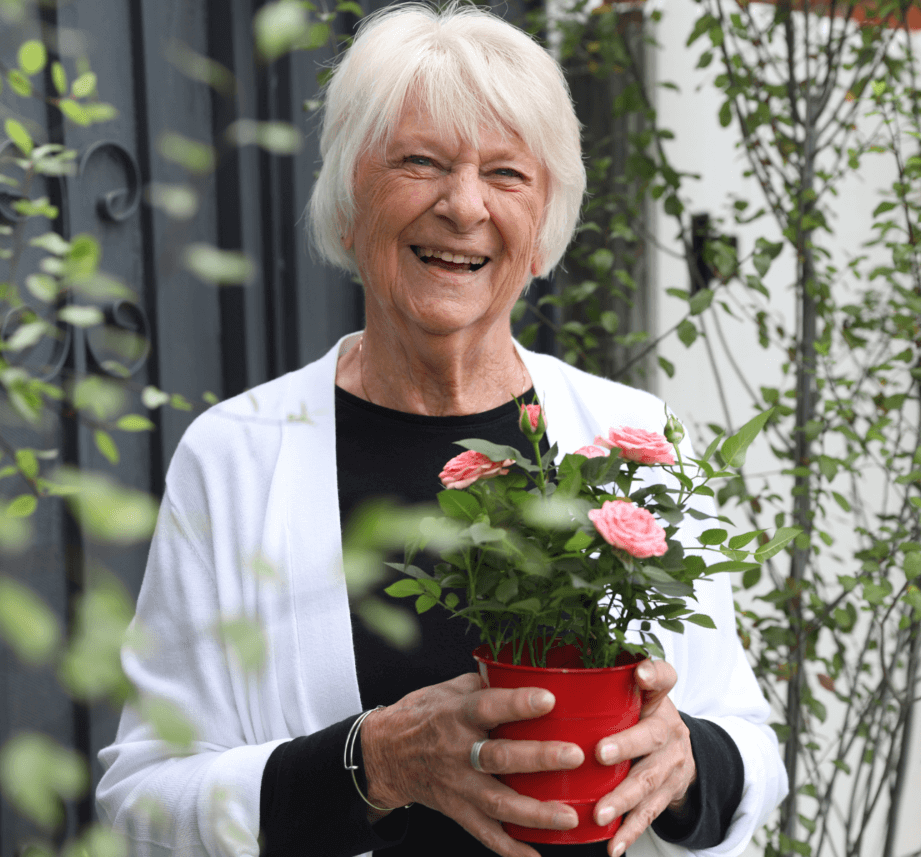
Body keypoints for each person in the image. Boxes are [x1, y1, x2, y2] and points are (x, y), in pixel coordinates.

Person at [96, 5, 787, 857]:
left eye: (506, 174)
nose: (463, 207)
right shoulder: (235, 456)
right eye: (420, 162)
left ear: (542, 231)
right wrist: (370, 762)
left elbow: (749, 743)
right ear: (350, 203)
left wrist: (686, 765)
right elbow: (142, 800)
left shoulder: (638, 439)